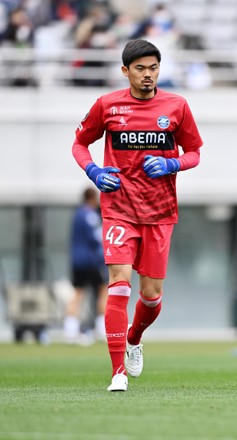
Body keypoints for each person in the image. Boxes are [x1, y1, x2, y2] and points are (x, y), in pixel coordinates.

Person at [71, 39, 203, 391]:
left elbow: (194, 152)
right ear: (125, 71)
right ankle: (118, 372)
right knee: (118, 285)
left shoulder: (177, 106)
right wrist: (94, 172)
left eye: (153, 68)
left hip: (160, 212)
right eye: (141, 68)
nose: (148, 75)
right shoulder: (107, 105)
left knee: (151, 296)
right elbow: (80, 143)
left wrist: (172, 162)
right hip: (119, 210)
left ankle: (134, 336)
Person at [63, 187, 108, 344]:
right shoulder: (90, 215)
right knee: (103, 290)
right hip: (91, 261)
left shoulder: (77, 215)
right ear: (93, 198)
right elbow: (97, 238)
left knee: (77, 293)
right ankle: (102, 329)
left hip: (77, 261)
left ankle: (70, 331)